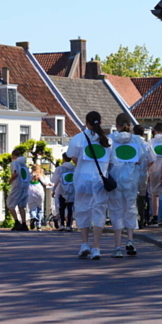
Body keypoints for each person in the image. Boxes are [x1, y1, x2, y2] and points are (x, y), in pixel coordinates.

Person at [66, 111, 111, 259]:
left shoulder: (78, 139)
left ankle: (84, 244)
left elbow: (73, 158)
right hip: (99, 180)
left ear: (86, 122)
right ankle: (96, 247)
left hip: (82, 179)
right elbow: (111, 162)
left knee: (82, 210)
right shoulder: (107, 141)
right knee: (98, 212)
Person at [108, 113, 154, 257]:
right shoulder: (137, 140)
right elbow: (147, 158)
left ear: (116, 125)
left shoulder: (110, 140)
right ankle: (130, 240)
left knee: (116, 211)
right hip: (131, 179)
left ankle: (117, 247)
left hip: (115, 179)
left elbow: (106, 159)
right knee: (130, 209)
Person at [146, 122, 162, 226]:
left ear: (155, 131)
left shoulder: (151, 142)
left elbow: (149, 156)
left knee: (154, 194)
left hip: (154, 169)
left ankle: (155, 218)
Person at [6, 147, 30, 231]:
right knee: (21, 206)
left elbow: (15, 174)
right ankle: (24, 223)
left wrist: (9, 181)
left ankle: (17, 222)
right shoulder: (24, 165)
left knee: (10, 204)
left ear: (13, 156)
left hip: (17, 186)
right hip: (25, 186)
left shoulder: (14, 163)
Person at [51, 153, 76, 231]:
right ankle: (69, 225)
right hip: (72, 189)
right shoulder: (74, 168)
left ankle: (62, 224)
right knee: (70, 208)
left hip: (62, 190)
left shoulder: (60, 168)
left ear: (63, 159)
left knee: (62, 207)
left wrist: (54, 189)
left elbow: (56, 179)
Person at [27, 164, 52, 230]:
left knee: (32, 208)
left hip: (30, 191)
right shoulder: (41, 175)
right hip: (39, 191)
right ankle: (39, 225)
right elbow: (46, 183)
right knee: (40, 208)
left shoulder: (29, 175)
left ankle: (33, 217)